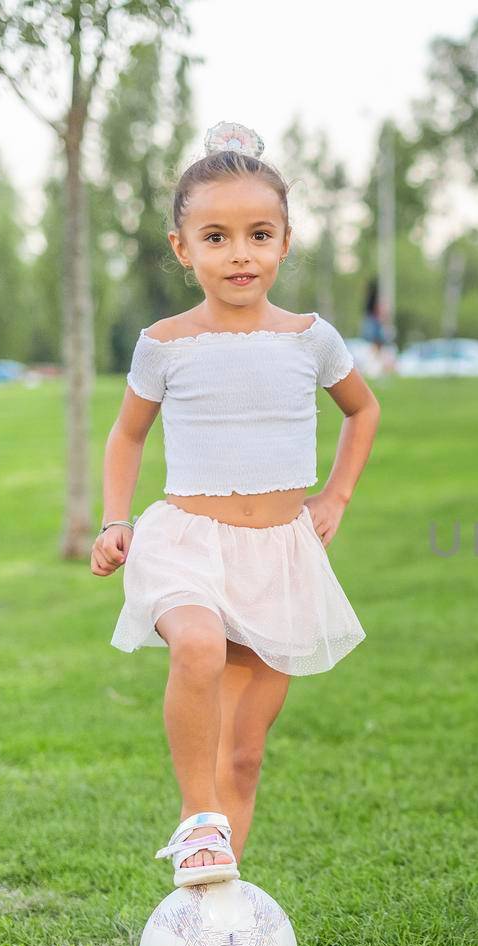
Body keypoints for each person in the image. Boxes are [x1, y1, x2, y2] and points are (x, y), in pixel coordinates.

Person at [90, 121, 380, 888]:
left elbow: (364, 411)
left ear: (285, 241)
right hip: (187, 542)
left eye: (258, 234)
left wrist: (336, 496)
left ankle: (215, 903)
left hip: (279, 555)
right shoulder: (165, 343)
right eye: (216, 237)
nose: (240, 253)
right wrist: (117, 520)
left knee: (244, 754)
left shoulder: (312, 340)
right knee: (196, 646)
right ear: (184, 249)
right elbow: (126, 437)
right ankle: (196, 821)